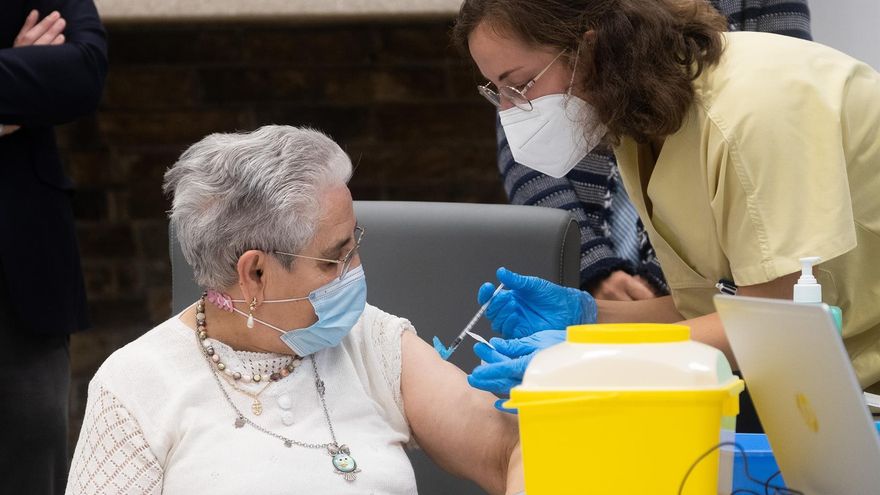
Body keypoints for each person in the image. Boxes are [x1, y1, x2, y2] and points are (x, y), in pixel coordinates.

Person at [452, 0, 880, 423]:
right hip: (830, 376)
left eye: (520, 85)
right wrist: (589, 317)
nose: (510, 113)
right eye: (497, 92)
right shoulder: (642, 127)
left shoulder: (752, 109)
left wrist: (584, 354)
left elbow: (780, 324)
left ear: (590, 48)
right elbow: (711, 311)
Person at [66, 126, 523, 494]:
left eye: (355, 244)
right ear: (256, 275)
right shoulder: (135, 384)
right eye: (333, 258)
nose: (355, 270)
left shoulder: (371, 340)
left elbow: (509, 451)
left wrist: (555, 380)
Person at [493, 0, 812, 301]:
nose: (508, 107)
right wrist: (590, 265)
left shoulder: (747, 99)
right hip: (622, 254)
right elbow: (528, 143)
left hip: (726, 258)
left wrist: (671, 279)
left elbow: (765, 141)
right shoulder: (622, 118)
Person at [0, 3, 107, 494]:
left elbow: (82, 73)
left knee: (34, 465)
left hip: (23, 277)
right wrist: (18, 82)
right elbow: (46, 82)